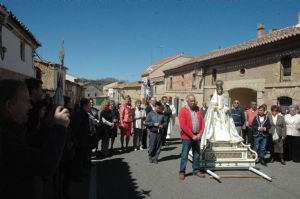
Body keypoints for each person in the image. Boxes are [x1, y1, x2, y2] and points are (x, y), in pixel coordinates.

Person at [0, 79, 69, 199]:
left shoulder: (13, 130)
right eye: (26, 101)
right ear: (9, 106)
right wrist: (60, 127)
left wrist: (48, 125)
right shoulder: (5, 139)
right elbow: (45, 164)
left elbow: (31, 142)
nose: (30, 106)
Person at [201, 80, 243, 148]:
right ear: (217, 90)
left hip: (223, 115)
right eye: (218, 89)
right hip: (216, 115)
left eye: (221, 89)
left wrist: (226, 109)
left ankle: (227, 140)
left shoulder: (224, 97)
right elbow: (211, 107)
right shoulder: (214, 97)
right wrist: (216, 108)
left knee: (226, 127)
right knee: (215, 127)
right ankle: (213, 140)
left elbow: (226, 105)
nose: (220, 91)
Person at [178, 95, 205, 180]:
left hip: (197, 136)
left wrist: (200, 133)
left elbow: (203, 123)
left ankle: (196, 170)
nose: (193, 102)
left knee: (197, 154)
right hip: (187, 137)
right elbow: (183, 125)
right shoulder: (183, 110)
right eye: (191, 101)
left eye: (194, 101)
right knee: (185, 155)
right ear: (187, 101)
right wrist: (191, 135)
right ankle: (182, 172)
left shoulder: (198, 110)